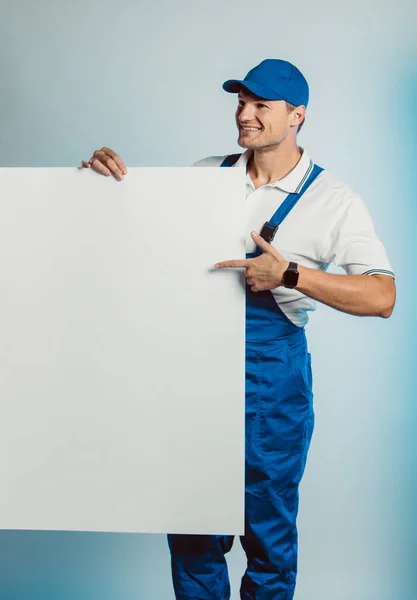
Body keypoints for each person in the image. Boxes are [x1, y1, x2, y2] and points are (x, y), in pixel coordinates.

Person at [82, 59, 396, 600]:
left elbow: (382, 296)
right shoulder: (205, 174)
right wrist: (99, 185)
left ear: (296, 116)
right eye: (240, 103)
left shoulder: (333, 200)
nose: (244, 116)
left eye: (260, 106)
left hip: (271, 385)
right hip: (194, 376)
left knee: (267, 535)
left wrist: (289, 273)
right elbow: (137, 249)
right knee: (192, 531)